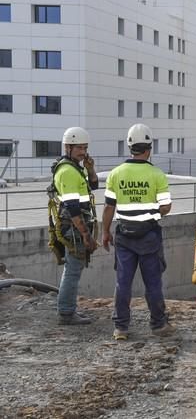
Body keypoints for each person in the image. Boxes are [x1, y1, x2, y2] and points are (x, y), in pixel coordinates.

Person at [102, 124, 174, 341]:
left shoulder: (115, 174)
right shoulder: (157, 175)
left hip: (124, 236)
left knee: (123, 282)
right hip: (149, 237)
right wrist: (151, 210)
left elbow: (108, 208)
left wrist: (105, 232)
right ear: (149, 148)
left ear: (130, 147)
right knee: (153, 283)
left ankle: (121, 328)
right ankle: (158, 325)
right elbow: (166, 207)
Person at [51, 126, 99, 325]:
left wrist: (90, 169)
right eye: (79, 148)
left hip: (74, 227)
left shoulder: (75, 168)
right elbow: (73, 208)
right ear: (68, 147)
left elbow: (93, 186)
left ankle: (67, 310)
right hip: (73, 228)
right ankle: (66, 313)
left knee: (73, 268)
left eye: (85, 147)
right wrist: (86, 235)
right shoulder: (68, 172)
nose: (83, 152)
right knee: (73, 269)